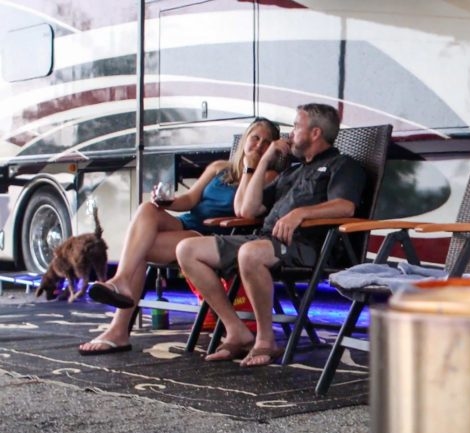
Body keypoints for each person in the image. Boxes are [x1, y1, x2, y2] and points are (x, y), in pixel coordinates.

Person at [176, 103, 365, 367]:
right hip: (264, 240)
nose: (288, 135)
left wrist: (300, 214)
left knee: (250, 253)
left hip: (308, 247)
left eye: (296, 127)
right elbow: (247, 209)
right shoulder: (292, 171)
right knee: (187, 249)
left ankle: (266, 341)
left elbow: (345, 206)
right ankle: (236, 330)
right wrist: (262, 161)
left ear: (315, 133)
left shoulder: (343, 165)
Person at [78, 118, 281, 356]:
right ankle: (121, 282)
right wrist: (167, 202)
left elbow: (242, 210)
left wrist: (249, 168)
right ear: (245, 139)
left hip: (209, 237)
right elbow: (190, 199)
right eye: (255, 138)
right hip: (186, 223)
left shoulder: (267, 176)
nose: (258, 145)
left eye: (266, 143)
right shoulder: (219, 168)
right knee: (146, 210)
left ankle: (119, 329)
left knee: (139, 250)